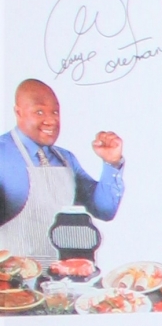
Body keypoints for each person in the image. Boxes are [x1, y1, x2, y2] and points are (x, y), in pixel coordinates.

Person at [0, 78, 124, 267]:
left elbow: (104, 210)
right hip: (13, 278)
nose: (51, 120)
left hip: (62, 276)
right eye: (39, 112)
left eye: (55, 112)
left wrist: (111, 162)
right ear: (18, 112)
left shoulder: (66, 159)